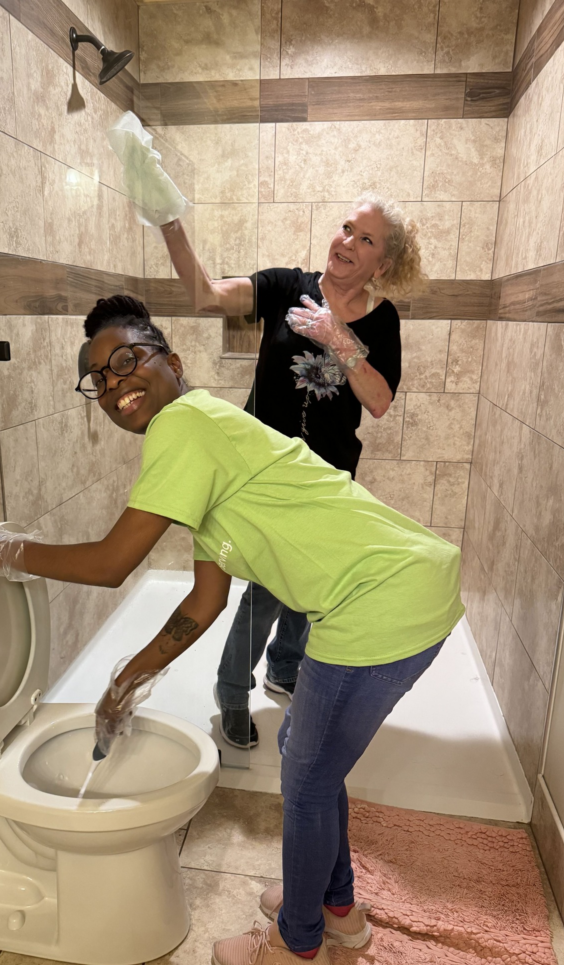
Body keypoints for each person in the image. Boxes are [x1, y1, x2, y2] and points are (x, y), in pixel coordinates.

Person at [0, 295, 463, 965]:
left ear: (172, 363)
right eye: (97, 377)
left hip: (379, 601)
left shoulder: (185, 423)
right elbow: (204, 601)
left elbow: (109, 564)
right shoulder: (207, 440)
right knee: (309, 760)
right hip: (394, 590)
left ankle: (301, 948)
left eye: (128, 359)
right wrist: (127, 680)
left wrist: (0, 549)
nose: (115, 382)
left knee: (306, 774)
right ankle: (334, 908)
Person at [156, 192, 425, 748]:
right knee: (266, 589)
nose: (347, 242)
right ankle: (232, 688)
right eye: (347, 228)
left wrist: (339, 340)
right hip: (261, 474)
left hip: (327, 476)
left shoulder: (383, 319)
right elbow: (206, 296)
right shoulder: (285, 287)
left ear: (384, 264)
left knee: (314, 582)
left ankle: (284, 666)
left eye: (365, 239)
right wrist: (169, 222)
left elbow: (377, 401)